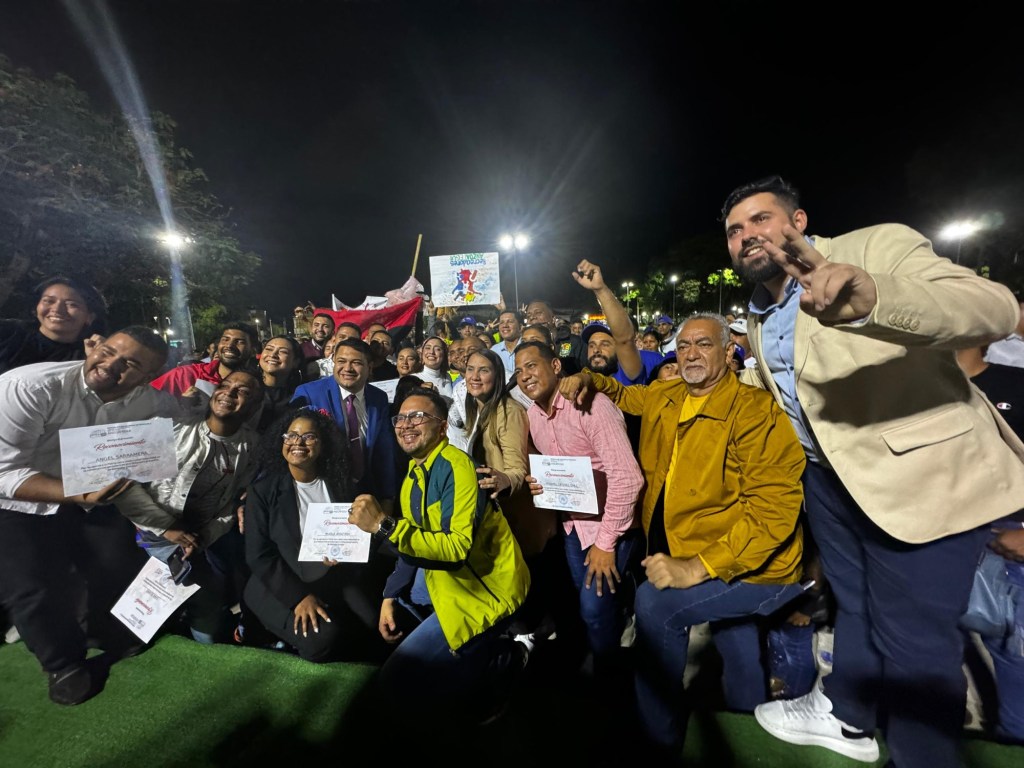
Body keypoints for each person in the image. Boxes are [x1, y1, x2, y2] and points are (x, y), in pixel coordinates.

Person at [719, 175, 1024, 767]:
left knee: (915, 643)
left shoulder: (874, 248)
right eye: (734, 230)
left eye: (761, 219)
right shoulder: (758, 309)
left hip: (919, 477)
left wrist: (875, 299)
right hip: (828, 480)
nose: (747, 235)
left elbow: (993, 307)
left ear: (799, 222)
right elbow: (797, 386)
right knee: (856, 604)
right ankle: (847, 716)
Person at [560, 313, 807, 753]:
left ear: (729, 353)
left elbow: (773, 514)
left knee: (655, 604)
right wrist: (587, 378)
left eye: (704, 344)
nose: (691, 354)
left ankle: (657, 740)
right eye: (684, 345)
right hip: (705, 552)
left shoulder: (755, 411)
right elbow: (626, 395)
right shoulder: (667, 394)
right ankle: (748, 731)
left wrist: (697, 567)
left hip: (760, 566)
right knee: (735, 638)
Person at [0, 327, 178, 705]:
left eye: (130, 364)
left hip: (89, 495)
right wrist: (80, 493)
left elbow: (184, 411)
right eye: (108, 351)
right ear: (94, 345)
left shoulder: (149, 400)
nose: (111, 364)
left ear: (148, 377)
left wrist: (211, 403)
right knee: (32, 585)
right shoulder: (27, 387)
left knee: (116, 558)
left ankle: (104, 629)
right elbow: (4, 474)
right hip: (14, 500)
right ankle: (62, 663)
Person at [348, 387, 531, 723]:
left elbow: (456, 550)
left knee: (396, 682)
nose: (406, 424)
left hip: (485, 594)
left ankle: (504, 657)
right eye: (401, 417)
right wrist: (389, 595)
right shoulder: (413, 474)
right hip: (449, 582)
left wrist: (383, 526)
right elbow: (413, 542)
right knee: (404, 603)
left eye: (418, 416)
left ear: (443, 426)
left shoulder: (458, 468)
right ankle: (473, 651)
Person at [515, 340, 644, 679]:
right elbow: (554, 470)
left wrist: (606, 543)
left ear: (556, 365)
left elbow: (628, 478)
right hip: (574, 525)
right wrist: (540, 483)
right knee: (593, 607)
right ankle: (609, 650)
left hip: (611, 526)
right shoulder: (532, 416)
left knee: (594, 608)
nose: (524, 375)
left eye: (532, 365)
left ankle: (609, 678)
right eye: (518, 371)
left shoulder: (592, 405)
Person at [115, 370, 262, 644]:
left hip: (196, 542)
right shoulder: (174, 428)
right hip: (145, 535)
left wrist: (204, 537)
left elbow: (230, 506)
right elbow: (125, 485)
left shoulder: (251, 447)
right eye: (225, 385)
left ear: (253, 407)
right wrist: (166, 528)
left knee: (207, 622)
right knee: (135, 628)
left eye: (242, 392)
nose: (229, 393)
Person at [243, 407, 392, 662]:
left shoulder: (340, 484)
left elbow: (356, 535)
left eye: (309, 437)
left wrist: (346, 552)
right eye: (291, 436)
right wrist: (299, 598)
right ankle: (266, 633)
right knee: (322, 641)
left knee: (372, 626)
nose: (298, 443)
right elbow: (258, 555)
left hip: (331, 577)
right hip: (279, 582)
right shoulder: (263, 491)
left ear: (323, 445)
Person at [290, 338, 396, 504]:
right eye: (341, 361)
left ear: (370, 367)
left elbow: (384, 449)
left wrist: (388, 496)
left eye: (356, 363)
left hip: (365, 491)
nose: (347, 368)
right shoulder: (309, 393)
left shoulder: (378, 398)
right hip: (323, 492)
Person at [0, 275, 106, 375]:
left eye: (72, 304)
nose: (57, 309)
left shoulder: (86, 355)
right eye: (49, 301)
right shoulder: (8, 332)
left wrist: (95, 359)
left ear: (90, 317)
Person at [150, 322, 257, 398]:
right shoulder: (184, 375)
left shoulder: (256, 386)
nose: (229, 345)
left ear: (253, 350)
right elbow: (145, 403)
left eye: (239, 342)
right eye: (225, 339)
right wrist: (179, 404)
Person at [256, 335, 305, 430]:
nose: (273, 355)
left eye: (283, 352)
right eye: (269, 349)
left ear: (296, 362)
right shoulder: (248, 388)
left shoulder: (302, 396)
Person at [525, 299, 585, 373]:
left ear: (553, 318)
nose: (532, 317)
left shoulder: (575, 342)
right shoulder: (526, 346)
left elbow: (590, 372)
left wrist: (581, 377)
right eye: (528, 316)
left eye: (538, 313)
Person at [416, 335, 454, 400]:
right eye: (428, 348)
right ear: (422, 353)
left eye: (438, 349)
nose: (431, 352)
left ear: (444, 354)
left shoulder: (447, 376)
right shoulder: (413, 379)